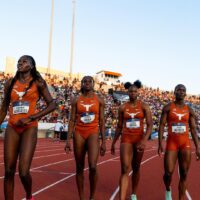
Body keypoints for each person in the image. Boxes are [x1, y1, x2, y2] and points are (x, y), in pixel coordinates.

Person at [0, 55, 56, 200]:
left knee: (24, 172)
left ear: (31, 66)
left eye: (24, 61)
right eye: (19, 61)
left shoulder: (38, 82)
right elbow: (4, 108)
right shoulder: (9, 84)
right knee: (8, 171)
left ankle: (29, 195)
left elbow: (52, 104)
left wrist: (32, 117)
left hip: (29, 128)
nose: (20, 63)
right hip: (12, 127)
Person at [65, 75, 106, 200]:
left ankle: (92, 196)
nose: (87, 83)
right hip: (79, 133)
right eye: (85, 81)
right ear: (81, 84)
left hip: (93, 132)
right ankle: (81, 197)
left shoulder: (99, 100)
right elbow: (72, 120)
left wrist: (104, 141)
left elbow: (102, 121)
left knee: (93, 166)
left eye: (89, 81)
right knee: (79, 167)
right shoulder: (76, 100)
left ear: (93, 84)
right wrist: (68, 140)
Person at [111, 80, 152, 200]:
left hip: (139, 139)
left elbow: (149, 125)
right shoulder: (123, 107)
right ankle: (122, 198)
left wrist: (144, 140)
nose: (133, 93)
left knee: (136, 167)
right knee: (124, 168)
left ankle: (133, 193)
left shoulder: (144, 106)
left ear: (138, 92)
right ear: (127, 93)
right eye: (131, 91)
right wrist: (114, 142)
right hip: (126, 139)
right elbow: (119, 126)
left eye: (135, 91)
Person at [158, 84, 200, 200]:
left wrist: (197, 147)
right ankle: (167, 189)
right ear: (174, 92)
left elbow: (193, 129)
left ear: (185, 94)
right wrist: (160, 143)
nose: (181, 92)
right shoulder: (167, 108)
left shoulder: (189, 110)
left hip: (185, 144)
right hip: (172, 143)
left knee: (184, 174)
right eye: (179, 90)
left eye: (183, 90)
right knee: (168, 173)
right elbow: (161, 125)